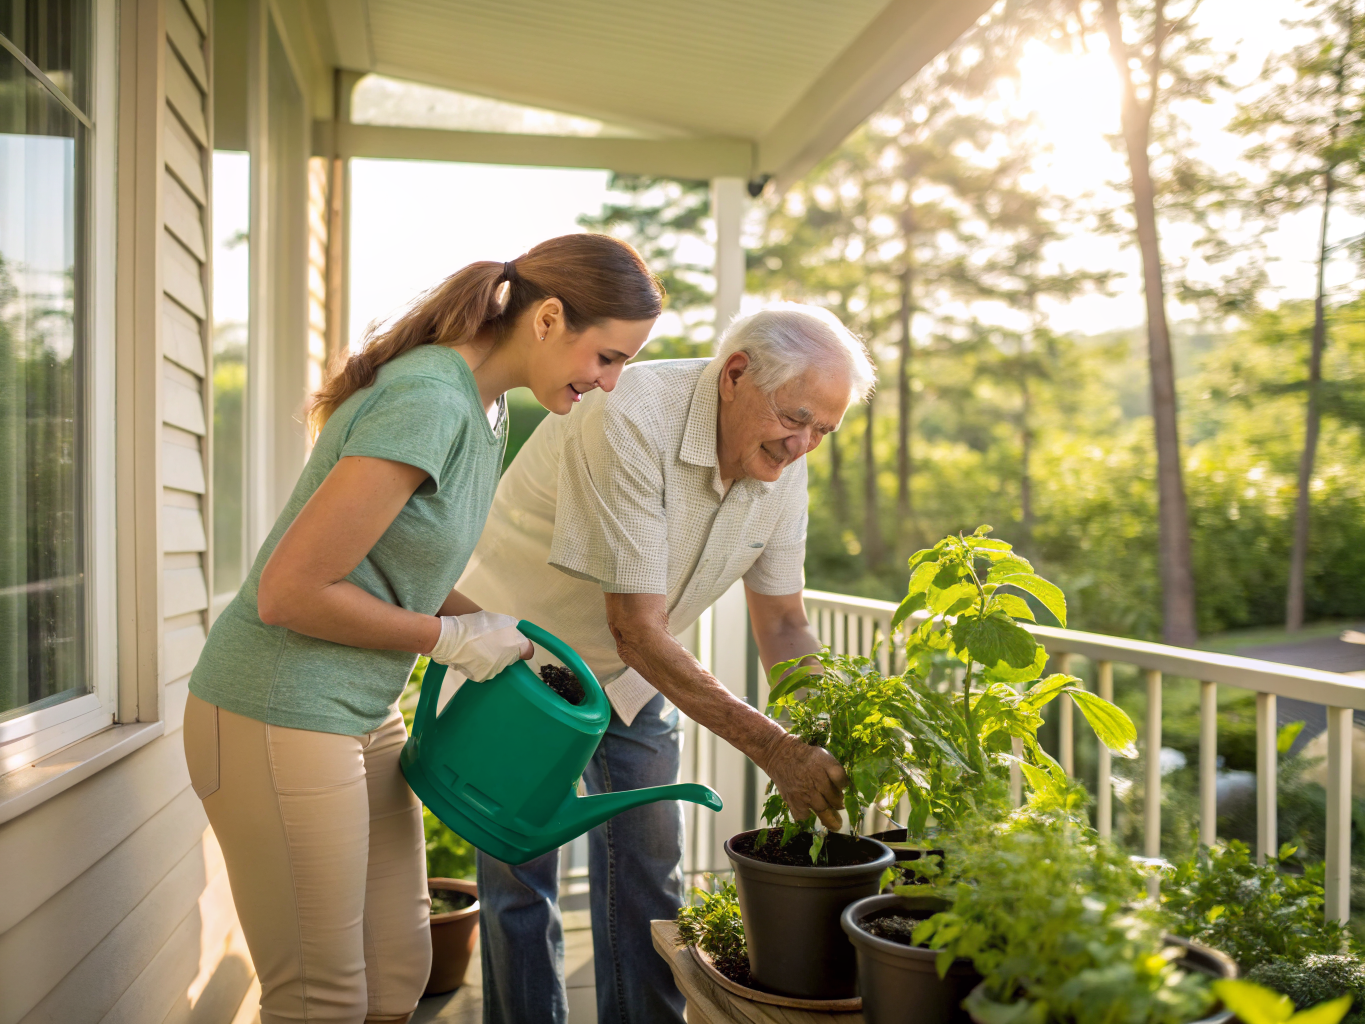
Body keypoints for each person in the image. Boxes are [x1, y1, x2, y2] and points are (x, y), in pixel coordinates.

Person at [181, 234, 663, 1024]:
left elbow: (403, 566)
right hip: (277, 706)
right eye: (606, 357)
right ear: (547, 318)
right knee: (323, 1000)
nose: (608, 382)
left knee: (398, 971)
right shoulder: (430, 399)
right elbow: (289, 594)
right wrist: (450, 642)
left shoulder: (488, 408)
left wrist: (493, 630)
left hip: (362, 712)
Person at [458, 303, 877, 1024]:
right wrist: (777, 750)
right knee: (520, 880)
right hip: (518, 662)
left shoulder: (783, 458)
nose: (803, 444)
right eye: (795, 418)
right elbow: (635, 628)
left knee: (650, 874)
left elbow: (783, 621)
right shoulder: (628, 416)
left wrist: (829, 734)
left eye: (823, 431)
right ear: (735, 374)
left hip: (634, 678)